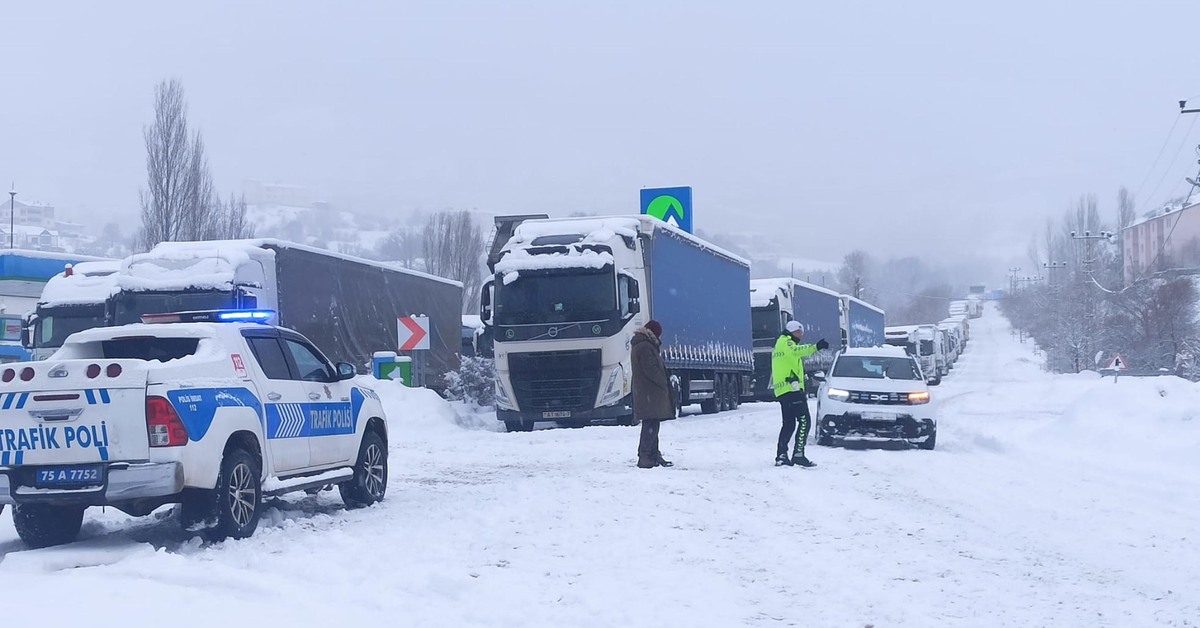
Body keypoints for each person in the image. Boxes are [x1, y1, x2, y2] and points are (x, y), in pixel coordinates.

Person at [772, 320, 829, 467]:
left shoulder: (780, 343)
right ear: (791, 332)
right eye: (798, 332)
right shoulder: (787, 343)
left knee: (789, 424)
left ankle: (782, 455)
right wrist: (816, 347)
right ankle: (798, 454)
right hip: (792, 389)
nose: (801, 335)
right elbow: (797, 351)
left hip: (784, 390)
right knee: (805, 421)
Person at [632, 319, 675, 468]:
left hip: (648, 392)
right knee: (651, 425)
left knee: (652, 423)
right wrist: (663, 381)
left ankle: (653, 455)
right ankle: (645, 456)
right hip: (650, 391)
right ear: (654, 334)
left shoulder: (643, 345)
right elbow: (651, 369)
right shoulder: (645, 347)